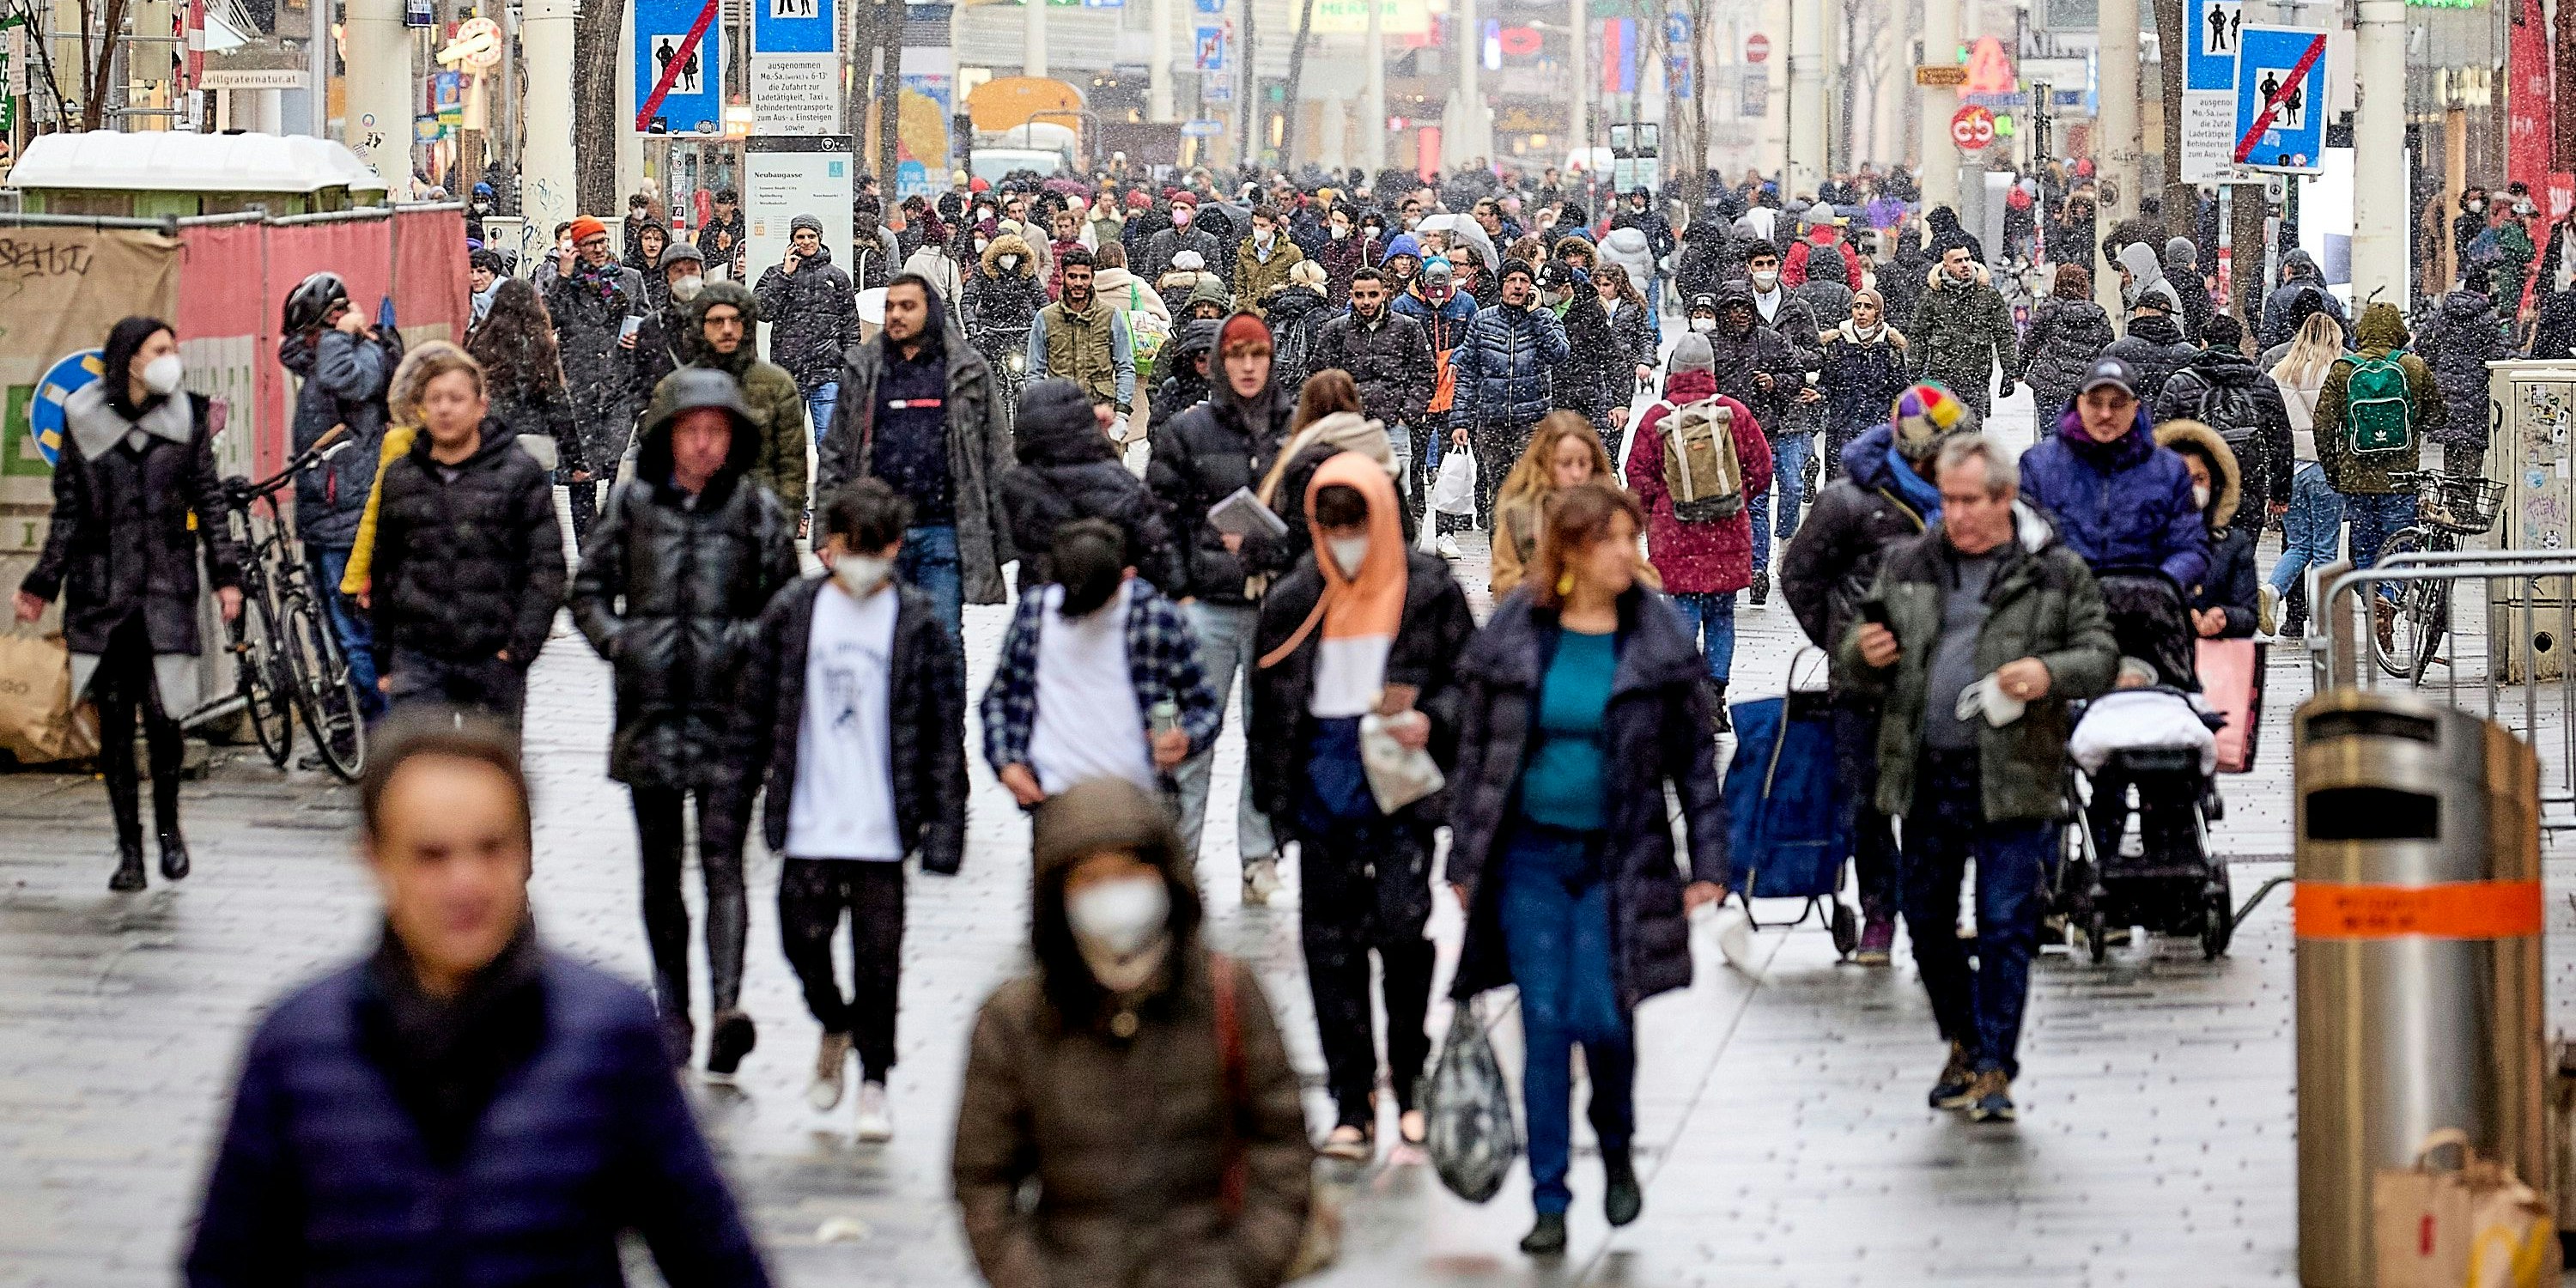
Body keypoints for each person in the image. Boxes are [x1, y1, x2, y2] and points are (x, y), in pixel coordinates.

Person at [184, 714, 774, 1286]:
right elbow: (226, 1266)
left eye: (491, 849)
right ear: (375, 860)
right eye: (431, 855)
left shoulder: (609, 1038)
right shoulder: (297, 1049)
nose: (465, 883)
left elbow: (713, 1257)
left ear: (527, 854)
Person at [1445, 481, 1728, 1255]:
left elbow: (1694, 765)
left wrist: (1708, 860)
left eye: (1630, 539)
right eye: (1611, 540)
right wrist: (1465, 856)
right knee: (1543, 1024)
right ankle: (1547, 1198)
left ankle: (1614, 1146)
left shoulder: (1657, 637)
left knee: (1604, 1016)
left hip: (1621, 855)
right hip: (1530, 857)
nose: (1628, 555)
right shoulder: (1518, 631)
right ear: (1570, 549)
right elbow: (1479, 754)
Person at [1847, 433, 2115, 1124]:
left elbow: (2101, 654)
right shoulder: (1910, 563)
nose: (1955, 514)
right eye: (1948, 500)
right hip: (1926, 774)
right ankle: (1963, 1037)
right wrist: (1866, 651)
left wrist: (2049, 674)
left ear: (2004, 499)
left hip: (2015, 773)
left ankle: (1995, 1061)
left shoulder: (2052, 572)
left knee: (2004, 922)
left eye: (1970, 501)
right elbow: (1855, 653)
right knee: (1928, 921)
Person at [951, 776, 1313, 1288]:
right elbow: (983, 1176)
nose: (1113, 892)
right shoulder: (1016, 1020)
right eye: (1089, 879)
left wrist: (1241, 1269)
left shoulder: (1227, 995)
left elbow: (1281, 1147)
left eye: (1128, 871)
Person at [715, 477, 966, 1142]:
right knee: (803, 940)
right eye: (844, 547)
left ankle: (875, 1078)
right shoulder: (793, 613)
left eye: (870, 549)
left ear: (892, 549)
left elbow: (943, 732)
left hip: (883, 823)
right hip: (809, 816)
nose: (855, 562)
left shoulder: (916, 623)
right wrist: (731, 804)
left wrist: (945, 827)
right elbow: (755, 714)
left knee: (879, 959)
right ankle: (833, 1018)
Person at [569, 368, 799, 1072]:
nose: (703, 446)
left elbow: (785, 604)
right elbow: (587, 590)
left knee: (724, 862)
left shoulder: (756, 512)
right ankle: (674, 1007)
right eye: (691, 431)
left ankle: (727, 1005)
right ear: (669, 436)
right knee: (660, 872)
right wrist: (620, 642)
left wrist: (745, 646)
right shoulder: (635, 505)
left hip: (728, 714)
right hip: (651, 710)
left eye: (716, 433)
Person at [1249, 458, 1473, 1160]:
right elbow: (1270, 709)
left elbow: (1468, 684)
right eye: (1330, 526)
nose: (1344, 540)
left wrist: (1430, 717)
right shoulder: (1296, 600)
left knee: (1405, 939)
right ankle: (1351, 1100)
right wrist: (1276, 805)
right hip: (1324, 796)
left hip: (1401, 794)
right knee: (1330, 950)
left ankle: (1408, 1086)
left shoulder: (1427, 592)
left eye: (1356, 525)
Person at [18, 317, 241, 892]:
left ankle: (169, 834)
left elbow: (209, 500)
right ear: (131, 359)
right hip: (103, 594)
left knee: (165, 721)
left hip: (166, 590)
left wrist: (225, 576)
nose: (173, 357)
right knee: (115, 728)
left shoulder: (187, 417)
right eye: (160, 349)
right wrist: (43, 582)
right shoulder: (82, 417)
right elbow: (67, 511)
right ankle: (129, 852)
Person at [1782, 382, 1975, 966]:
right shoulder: (1848, 502)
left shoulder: (1966, 501)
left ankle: (1930, 907)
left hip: (1941, 682)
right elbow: (1800, 577)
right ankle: (1879, 911)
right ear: (1919, 451)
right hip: (1864, 687)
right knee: (1867, 803)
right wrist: (1846, 644)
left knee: (1933, 801)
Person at [1147, 313, 1294, 893]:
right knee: (1191, 738)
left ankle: (1258, 856)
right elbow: (1162, 518)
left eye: (1258, 355)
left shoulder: (1294, 429)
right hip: (1206, 604)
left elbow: (1309, 521)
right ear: (1219, 363)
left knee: (1267, 739)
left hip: (1273, 607)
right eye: (1238, 356)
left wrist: (1279, 558)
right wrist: (1181, 588)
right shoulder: (1190, 432)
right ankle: (1178, 855)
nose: (1249, 367)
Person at [368, 345, 565, 725]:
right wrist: (386, 655)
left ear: (481, 405)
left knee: (488, 776)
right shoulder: (403, 477)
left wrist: (519, 647)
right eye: (434, 400)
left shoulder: (519, 475)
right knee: (420, 771)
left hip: (493, 655)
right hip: (419, 656)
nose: (444, 409)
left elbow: (545, 568)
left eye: (456, 399)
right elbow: (386, 570)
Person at [817, 273, 1016, 647]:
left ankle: (943, 707)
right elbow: (835, 453)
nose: (895, 315)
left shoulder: (965, 369)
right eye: (890, 307)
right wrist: (828, 530)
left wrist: (1001, 533)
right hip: (875, 532)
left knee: (942, 639)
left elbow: (997, 454)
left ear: (931, 312)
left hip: (943, 528)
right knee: (880, 640)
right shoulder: (864, 369)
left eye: (907, 307)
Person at [979, 519, 1222, 805]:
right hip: (1054, 795)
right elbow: (999, 696)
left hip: (1138, 796)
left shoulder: (1156, 618)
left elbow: (1204, 704)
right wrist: (1007, 763)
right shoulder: (1036, 612)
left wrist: (1185, 738)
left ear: (1126, 577)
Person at [1624, 332, 1776, 726]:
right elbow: (1762, 468)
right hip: (1727, 531)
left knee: (1682, 612)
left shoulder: (1658, 418)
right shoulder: (1734, 413)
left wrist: (1660, 505)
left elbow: (1637, 474)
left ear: (1673, 371)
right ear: (1710, 370)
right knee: (1721, 614)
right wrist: (1735, 496)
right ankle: (1714, 698)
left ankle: (1680, 695)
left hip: (1675, 532)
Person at [277, 270, 392, 714]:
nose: (308, 342)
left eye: (314, 332)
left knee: (354, 634)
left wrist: (343, 334)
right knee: (332, 630)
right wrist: (328, 333)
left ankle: (378, 726)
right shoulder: (329, 353)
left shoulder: (363, 356)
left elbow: (349, 381)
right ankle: (350, 723)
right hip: (322, 513)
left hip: (347, 512)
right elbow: (292, 352)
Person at [2017, 356, 2209, 588]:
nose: (2105, 414)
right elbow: (2018, 544)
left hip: (2143, 608)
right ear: (2079, 403)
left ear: (2135, 407)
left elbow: (2190, 546)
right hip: (2061, 606)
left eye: (2117, 404)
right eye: (2095, 403)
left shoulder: (2169, 470)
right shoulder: (2039, 465)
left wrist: (2161, 585)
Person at [2316, 302, 2445, 643]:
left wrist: (2334, 470)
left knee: (2364, 548)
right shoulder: (2413, 367)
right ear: (2397, 330)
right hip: (2400, 478)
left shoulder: (2343, 370)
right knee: (2400, 543)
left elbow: (2323, 425)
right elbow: (2438, 416)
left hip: (2356, 479)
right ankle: (2388, 594)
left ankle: (2374, 596)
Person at [1000, 377, 1181, 593]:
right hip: (1112, 599)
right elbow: (1155, 546)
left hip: (1048, 605)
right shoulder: (1113, 480)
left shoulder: (1018, 485)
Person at [647, 280, 810, 519]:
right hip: (691, 520)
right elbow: (656, 465)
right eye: (716, 321)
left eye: (736, 320)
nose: (727, 329)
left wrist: (782, 527)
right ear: (701, 326)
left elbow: (791, 468)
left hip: (755, 521)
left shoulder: (775, 385)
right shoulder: (674, 388)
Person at [544, 215, 649, 538]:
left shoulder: (629, 279)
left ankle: (616, 542)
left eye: (603, 242)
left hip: (620, 386)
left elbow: (646, 318)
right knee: (582, 476)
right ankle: (588, 549)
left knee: (622, 473)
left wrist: (639, 334)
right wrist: (563, 275)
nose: (600, 249)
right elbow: (548, 317)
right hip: (581, 391)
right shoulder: (567, 285)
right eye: (591, 244)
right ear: (577, 249)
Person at [1450, 259, 1572, 528]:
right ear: (1502, 285)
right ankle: (1501, 554)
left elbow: (1560, 355)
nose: (1517, 287)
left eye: (1523, 281)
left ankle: (1531, 552)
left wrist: (1539, 315)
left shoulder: (1546, 318)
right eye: (1511, 281)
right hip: (1492, 419)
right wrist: (1460, 419)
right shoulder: (1483, 321)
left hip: (1532, 419)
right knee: (1499, 486)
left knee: (1532, 485)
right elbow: (1468, 372)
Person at [467, 277, 593, 514]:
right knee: (533, 516)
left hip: (491, 440)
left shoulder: (481, 344)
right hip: (535, 443)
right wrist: (575, 458)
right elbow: (558, 407)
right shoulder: (540, 347)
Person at [2150, 313, 2295, 519]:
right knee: (2241, 547)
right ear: (2238, 344)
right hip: (2247, 485)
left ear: (2204, 344)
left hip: (2194, 485)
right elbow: (2280, 441)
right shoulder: (2262, 384)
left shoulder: (2181, 383)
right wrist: (2280, 492)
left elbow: (2162, 439)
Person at [1312, 265, 1437, 491]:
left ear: (1384, 294)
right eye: (1359, 295)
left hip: (1393, 425)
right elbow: (1321, 377)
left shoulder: (1407, 328)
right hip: (1349, 426)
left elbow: (1425, 373)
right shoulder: (1335, 330)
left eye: (1372, 294)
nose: (1366, 301)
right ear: (1351, 295)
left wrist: (1406, 414)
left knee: (1395, 495)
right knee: (1351, 494)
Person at [2266, 310, 2347, 639]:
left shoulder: (2278, 372)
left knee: (2299, 545)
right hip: (2325, 467)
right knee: (2326, 549)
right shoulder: (2337, 373)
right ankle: (2321, 623)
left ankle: (2272, 590)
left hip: (2292, 468)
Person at [756, 214, 860, 444]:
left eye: (811, 236)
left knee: (829, 441)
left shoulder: (837, 277)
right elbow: (762, 311)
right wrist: (785, 275)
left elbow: (850, 325)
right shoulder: (775, 274)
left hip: (826, 371)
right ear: (792, 240)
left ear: (820, 239)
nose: (806, 241)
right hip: (788, 371)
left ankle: (829, 482)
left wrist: (850, 364)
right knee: (786, 443)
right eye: (800, 236)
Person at [1491, 410, 1615, 599]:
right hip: (1540, 619)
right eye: (1565, 464)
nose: (1576, 474)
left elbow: (1640, 575)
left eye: (1583, 463)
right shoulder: (1521, 513)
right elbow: (1505, 579)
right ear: (1545, 463)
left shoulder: (1610, 509)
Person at [2154, 421, 2259, 638]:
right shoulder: (2141, 539)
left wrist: (2225, 617)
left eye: (2199, 479)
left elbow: (2249, 614)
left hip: (2214, 662)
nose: (2191, 489)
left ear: (2215, 482)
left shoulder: (2233, 544)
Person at [1025, 246, 1138, 431]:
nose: (1078, 283)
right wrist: (1042, 411)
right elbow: (1034, 372)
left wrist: (1121, 413)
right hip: (1060, 414)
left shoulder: (1110, 315)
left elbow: (1125, 365)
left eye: (1084, 277)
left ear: (1092, 278)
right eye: (1072, 276)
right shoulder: (1045, 317)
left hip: (1102, 413)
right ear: (1062, 277)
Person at [2418, 266, 2513, 476]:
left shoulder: (2443, 312)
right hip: (2475, 394)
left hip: (2446, 392)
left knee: (2451, 444)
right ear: (2486, 290)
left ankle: (2453, 504)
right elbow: (2497, 355)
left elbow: (2423, 343)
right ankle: (2467, 502)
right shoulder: (2486, 317)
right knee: (2472, 447)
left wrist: (2438, 366)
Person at [1905, 243, 2019, 418]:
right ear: (1946, 266)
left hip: (1976, 378)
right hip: (1942, 377)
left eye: (1968, 259)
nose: (1965, 264)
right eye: (1958, 261)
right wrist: (1913, 372)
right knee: (1944, 432)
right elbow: (1918, 336)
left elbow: (2004, 333)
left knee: (1972, 433)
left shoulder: (1987, 295)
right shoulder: (1932, 296)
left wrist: (2009, 370)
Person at [1816, 289, 1911, 477]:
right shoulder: (1838, 343)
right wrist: (1819, 393)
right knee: (1839, 483)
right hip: (1841, 426)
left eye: (1868, 307)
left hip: (1877, 426)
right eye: (1857, 306)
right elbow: (1827, 383)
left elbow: (1900, 388)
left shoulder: (1890, 346)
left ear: (1878, 311)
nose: (1861, 312)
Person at [2010, 264, 2116, 419]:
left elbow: (2029, 341)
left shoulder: (2048, 310)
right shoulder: (2097, 315)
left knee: (2051, 435)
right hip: (2083, 389)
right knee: (2081, 437)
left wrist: (2020, 369)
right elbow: (2108, 351)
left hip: (2049, 385)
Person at [963, 228, 1047, 378]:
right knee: (986, 372)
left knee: (1032, 372)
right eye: (1004, 255)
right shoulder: (981, 271)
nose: (1009, 259)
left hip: (1021, 329)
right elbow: (968, 299)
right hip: (990, 331)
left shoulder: (1025, 271)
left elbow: (1040, 297)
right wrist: (971, 323)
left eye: (1013, 254)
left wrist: (1048, 319)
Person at [2099, 290, 2198, 404]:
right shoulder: (2191, 354)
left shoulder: (2115, 350)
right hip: (2174, 420)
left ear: (2142, 311)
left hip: (2131, 418)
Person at [2258, 249, 2350, 350]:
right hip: (2323, 359)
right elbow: (2344, 337)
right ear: (2311, 270)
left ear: (2287, 269)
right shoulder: (2329, 298)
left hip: (2288, 362)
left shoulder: (2276, 298)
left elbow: (2268, 338)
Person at [1234, 204, 1307, 313]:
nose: (1257, 229)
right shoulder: (1245, 251)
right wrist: (1241, 308)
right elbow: (1240, 283)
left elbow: (1299, 284)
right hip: (1251, 312)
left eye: (1262, 226)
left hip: (1278, 313)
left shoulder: (1291, 252)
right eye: (1255, 224)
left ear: (1273, 226)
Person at [2163, 237, 2215, 341]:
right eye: (2193, 261)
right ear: (2188, 262)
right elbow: (2206, 317)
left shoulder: (2161, 282)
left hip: (2164, 341)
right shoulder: (2196, 286)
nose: (2195, 265)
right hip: (2190, 343)